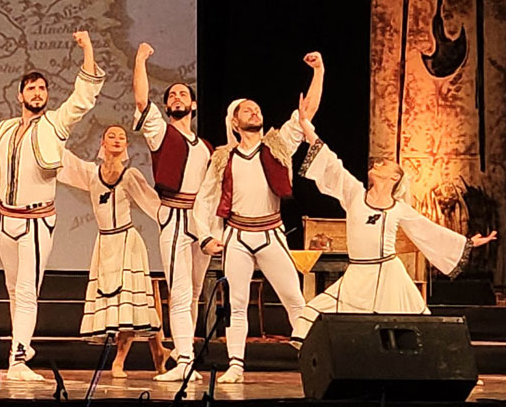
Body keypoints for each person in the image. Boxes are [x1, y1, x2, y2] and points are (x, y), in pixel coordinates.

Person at [290, 109, 496, 343]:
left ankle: (436, 362)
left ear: (394, 178)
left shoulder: (398, 208)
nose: (377, 163)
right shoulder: (355, 194)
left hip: (390, 276)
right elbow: (331, 164)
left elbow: (427, 231)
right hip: (358, 276)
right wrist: (306, 125)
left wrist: (468, 242)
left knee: (417, 328)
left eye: (384, 164)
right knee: (312, 313)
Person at [0, 31, 105, 381]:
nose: (37, 93)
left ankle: (17, 360)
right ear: (20, 95)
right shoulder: (4, 130)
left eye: (42, 88)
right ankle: (21, 348)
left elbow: (83, 98)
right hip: (6, 220)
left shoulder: (54, 124)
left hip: (36, 222)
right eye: (31, 88)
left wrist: (87, 48)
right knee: (14, 291)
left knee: (28, 290)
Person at [195, 52, 325, 384]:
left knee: (294, 299)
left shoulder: (277, 146)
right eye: (246, 110)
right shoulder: (223, 158)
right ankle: (235, 365)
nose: (254, 111)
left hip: (270, 233)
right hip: (237, 236)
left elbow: (306, 113)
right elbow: (204, 199)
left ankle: (314, 363)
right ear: (234, 122)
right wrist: (206, 235)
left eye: (257, 108)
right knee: (236, 304)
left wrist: (318, 71)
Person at [57, 125, 167, 378]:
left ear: (126, 145)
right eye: (111, 136)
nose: (117, 140)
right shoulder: (91, 174)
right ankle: (159, 351)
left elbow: (154, 204)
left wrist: (180, 225)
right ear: (102, 143)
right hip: (105, 243)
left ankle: (119, 361)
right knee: (122, 302)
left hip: (127, 242)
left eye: (122, 137)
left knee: (129, 302)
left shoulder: (130, 175)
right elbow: (65, 162)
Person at [131, 43, 213, 382]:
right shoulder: (161, 132)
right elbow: (141, 100)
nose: (177, 98)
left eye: (183, 94)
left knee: (194, 291)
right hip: (175, 217)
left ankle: (184, 356)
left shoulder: (205, 147)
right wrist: (140, 60)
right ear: (166, 107)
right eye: (172, 96)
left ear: (194, 105)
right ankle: (184, 361)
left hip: (200, 221)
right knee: (178, 291)